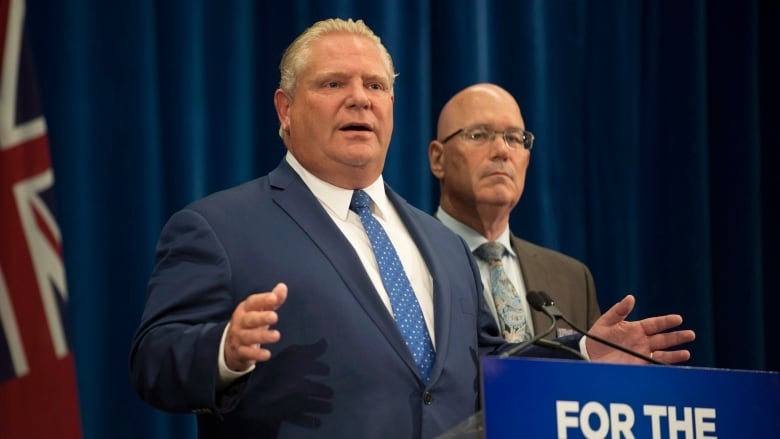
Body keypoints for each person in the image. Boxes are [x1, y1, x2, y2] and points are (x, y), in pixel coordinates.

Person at [129, 18, 695, 439]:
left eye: (375, 86)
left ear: (393, 105)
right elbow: (155, 361)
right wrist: (226, 350)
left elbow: (487, 366)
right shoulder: (218, 226)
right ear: (284, 108)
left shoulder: (441, 243)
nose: (359, 98)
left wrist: (585, 356)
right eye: (333, 84)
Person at [429, 83, 600, 345]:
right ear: (438, 159)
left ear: (527, 160)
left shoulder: (573, 280)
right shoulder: (409, 259)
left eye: (514, 138)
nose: (502, 151)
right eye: (478, 135)